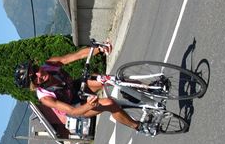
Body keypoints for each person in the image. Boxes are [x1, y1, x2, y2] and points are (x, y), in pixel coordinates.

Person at [14, 42, 143, 132]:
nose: (39, 74)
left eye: (35, 68)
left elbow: (76, 56)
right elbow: (71, 111)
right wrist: (89, 105)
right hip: (77, 108)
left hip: (77, 88)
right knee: (109, 103)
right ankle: (138, 126)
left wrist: (99, 49)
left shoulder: (49, 65)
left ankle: (147, 90)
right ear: (33, 85)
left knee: (106, 79)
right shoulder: (45, 97)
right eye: (33, 78)